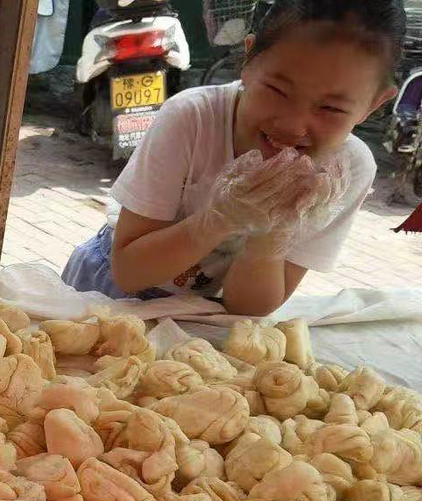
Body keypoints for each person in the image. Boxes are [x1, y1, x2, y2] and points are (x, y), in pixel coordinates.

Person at [62, 0, 404, 317]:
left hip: (204, 308)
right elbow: (130, 272)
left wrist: (271, 232)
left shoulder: (346, 170)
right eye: (277, 90)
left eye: (330, 108)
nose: (292, 126)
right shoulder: (191, 118)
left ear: (375, 104)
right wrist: (218, 219)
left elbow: (249, 307)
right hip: (109, 292)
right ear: (248, 60)